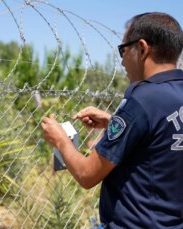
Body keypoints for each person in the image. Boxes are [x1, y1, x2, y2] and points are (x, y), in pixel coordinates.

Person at [41, 12, 183, 228]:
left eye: (123, 49)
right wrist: (111, 121)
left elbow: (87, 174)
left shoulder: (141, 99)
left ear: (143, 48)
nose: (122, 59)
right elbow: (165, 134)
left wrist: (60, 139)